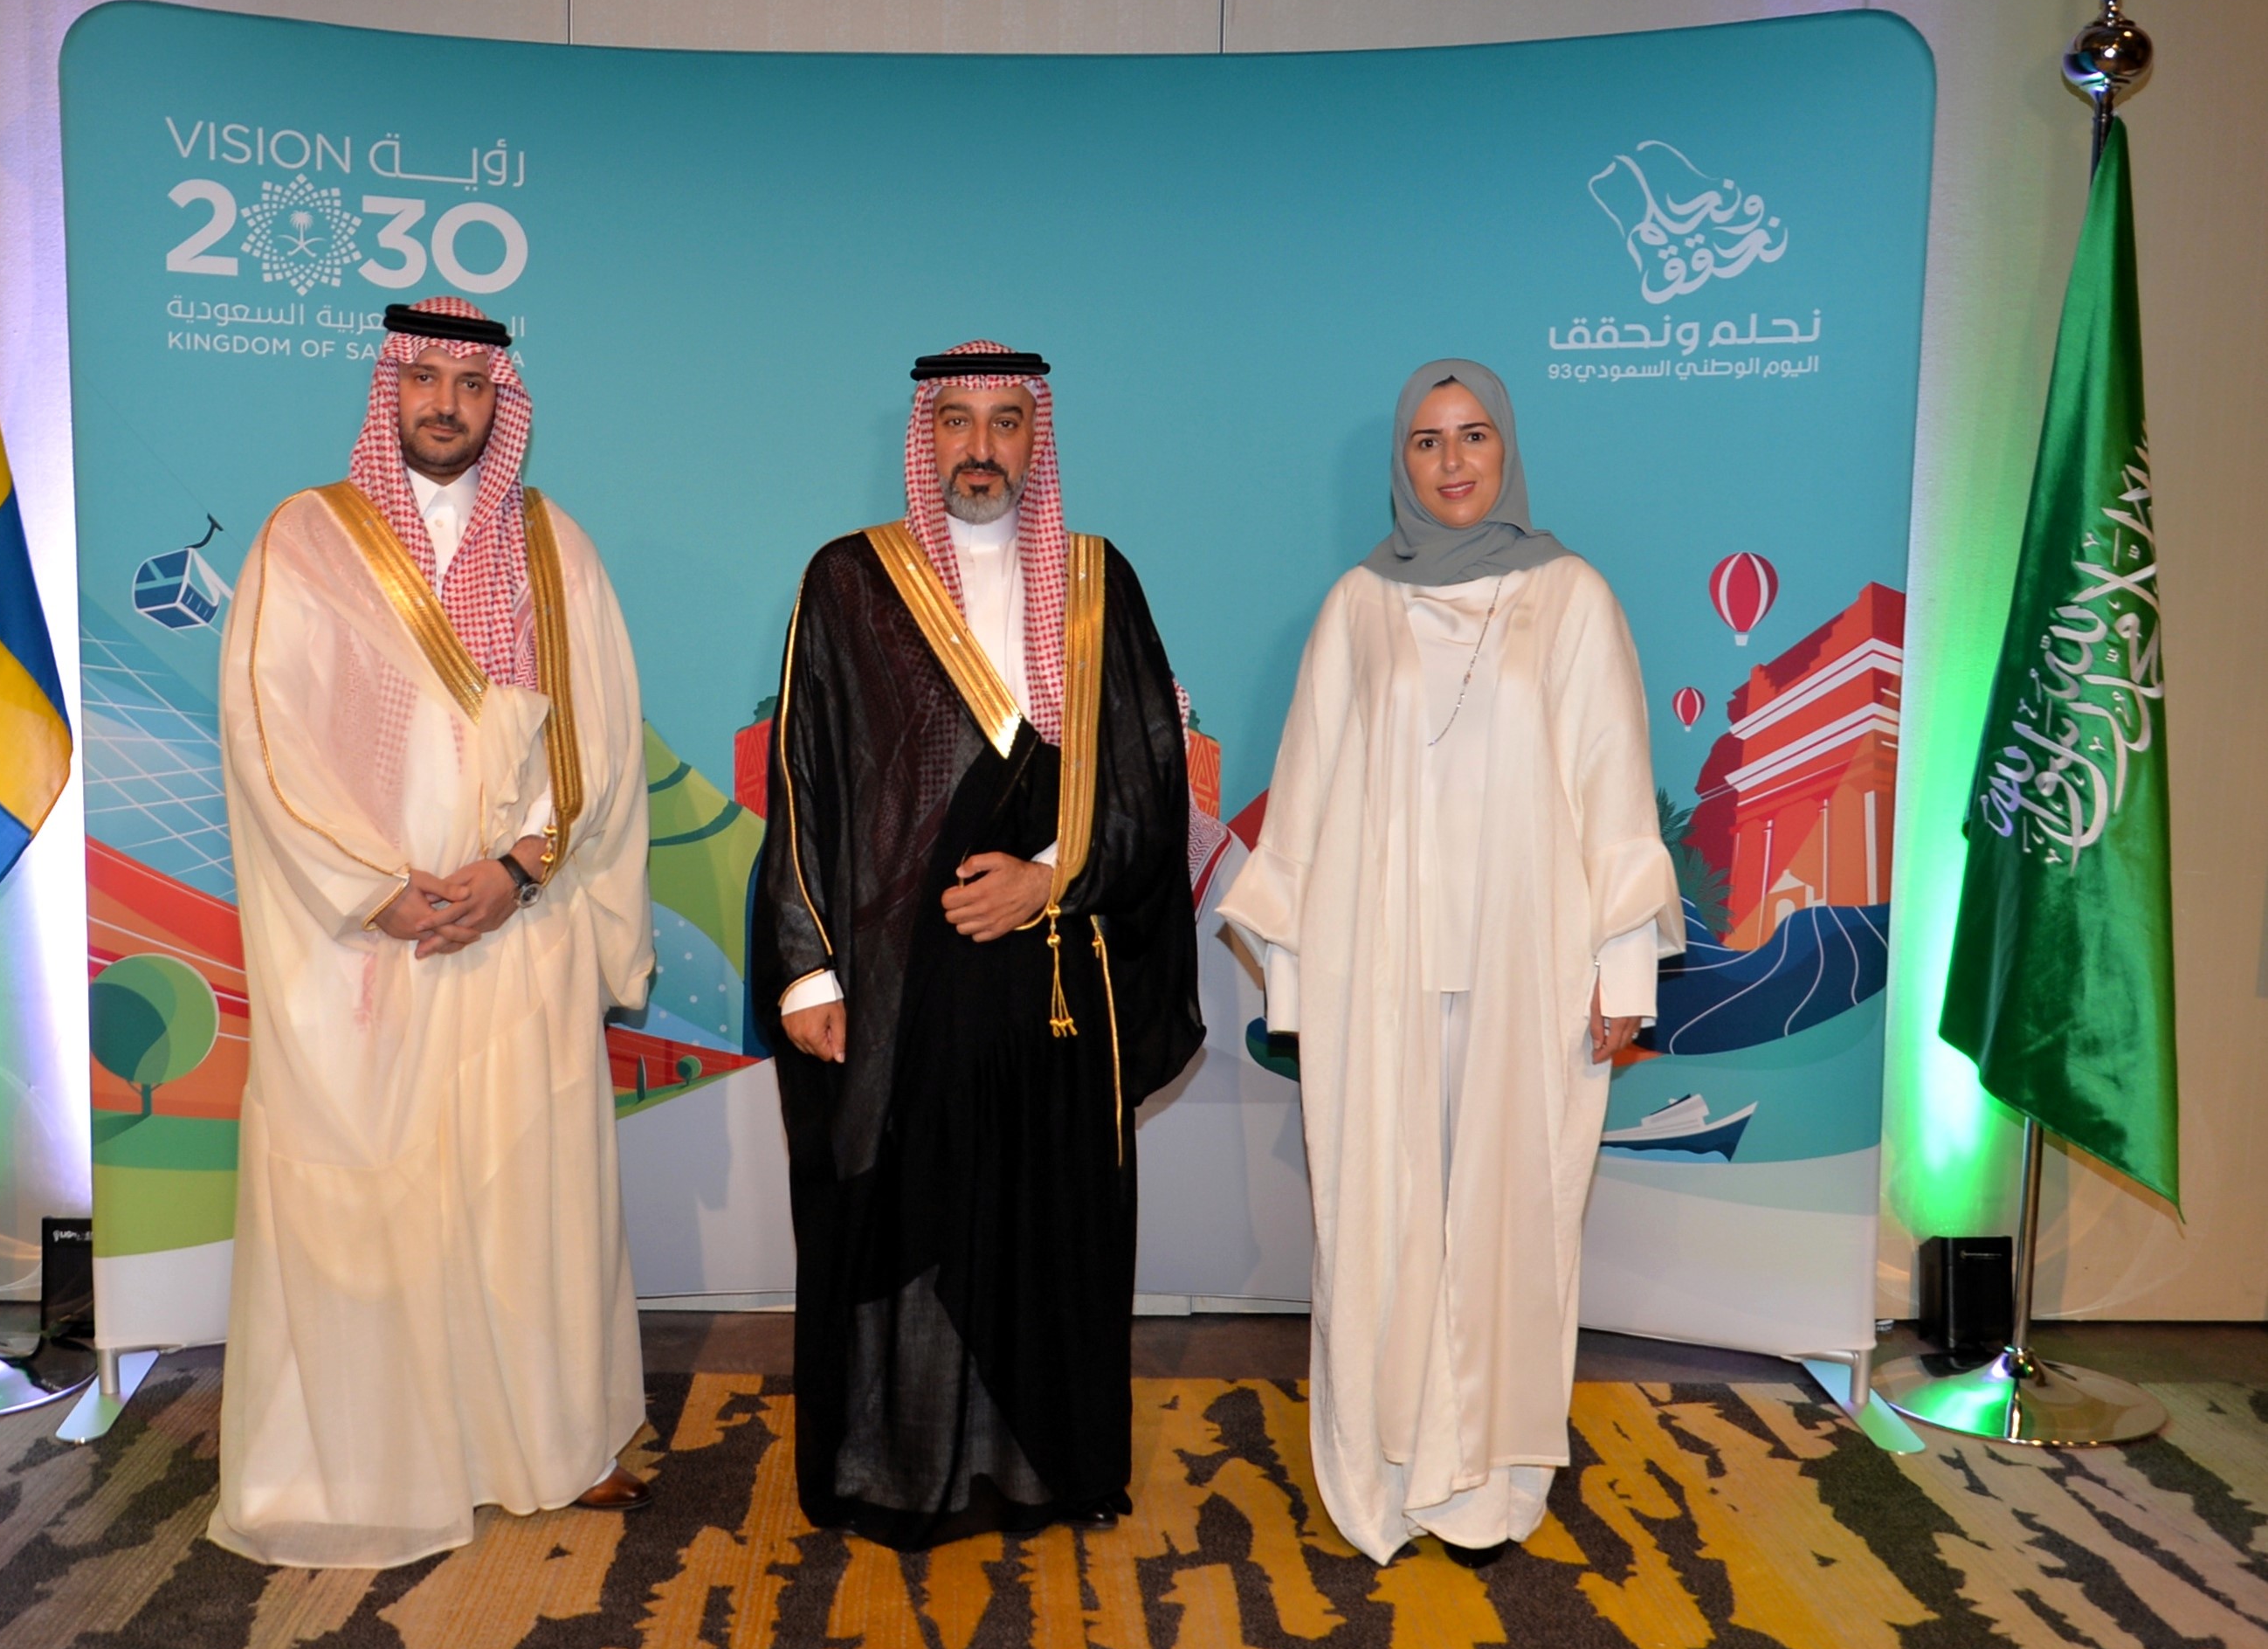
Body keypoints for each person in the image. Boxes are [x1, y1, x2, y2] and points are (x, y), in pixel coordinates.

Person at [210, 295, 655, 1568]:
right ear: (389, 389)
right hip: (370, 943)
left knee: (528, 1193)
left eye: (471, 384)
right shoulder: (304, 538)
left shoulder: (555, 547)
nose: (446, 405)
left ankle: (553, 1446)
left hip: (517, 926)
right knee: (371, 1199)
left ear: (501, 401)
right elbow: (265, 737)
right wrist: (375, 888)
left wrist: (518, 870)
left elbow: (602, 739)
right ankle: (368, 1462)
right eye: (424, 380)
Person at [1218, 360, 1681, 1568]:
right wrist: (1300, 993)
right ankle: (1380, 1469)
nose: (1453, 460)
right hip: (1377, 973)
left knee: (1515, 1220)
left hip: (1531, 973)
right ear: (1402, 463)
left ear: (1506, 449)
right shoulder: (1357, 607)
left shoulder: (1573, 598)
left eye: (1474, 435)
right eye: (1428, 441)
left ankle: (1488, 1478)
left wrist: (1624, 973)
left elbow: (1614, 789)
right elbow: (1306, 799)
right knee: (1375, 1217)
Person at [755, 342, 1208, 1549]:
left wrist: (1051, 879)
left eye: (1006, 422)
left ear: (1036, 438)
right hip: (902, 981)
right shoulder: (850, 581)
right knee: (908, 1210)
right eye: (956, 420)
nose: (980, 447)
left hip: (1057, 966)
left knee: (1045, 1218)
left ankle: (1049, 1466)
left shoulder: (1099, 583)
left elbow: (1149, 781)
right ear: (926, 436)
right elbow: (805, 779)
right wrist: (806, 966)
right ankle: (897, 1473)